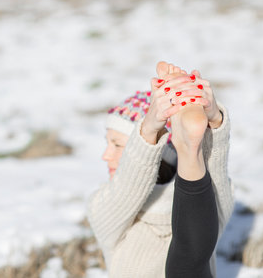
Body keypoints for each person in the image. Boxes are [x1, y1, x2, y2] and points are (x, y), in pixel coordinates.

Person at [87, 61, 234, 278]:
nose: (105, 155)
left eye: (117, 144)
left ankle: (190, 151)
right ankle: (188, 153)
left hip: (193, 210)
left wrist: (214, 121)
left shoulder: (205, 208)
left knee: (191, 248)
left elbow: (217, 182)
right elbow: (127, 189)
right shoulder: (104, 204)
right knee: (189, 259)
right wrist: (148, 128)